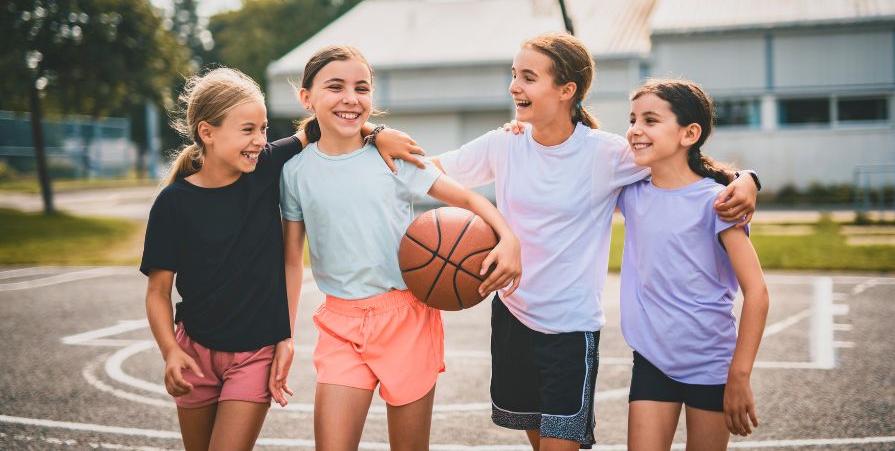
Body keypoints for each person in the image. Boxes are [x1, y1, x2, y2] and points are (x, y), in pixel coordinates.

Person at [430, 33, 759, 450]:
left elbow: (684, 166)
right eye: (514, 75)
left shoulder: (607, 155)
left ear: (567, 90)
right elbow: (428, 171)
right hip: (513, 315)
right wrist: (377, 135)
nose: (514, 86)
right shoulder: (505, 143)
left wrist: (747, 179)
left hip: (570, 328)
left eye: (528, 77)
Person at [141, 67, 424, 451]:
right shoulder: (173, 204)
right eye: (247, 131)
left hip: (254, 353)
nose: (259, 140)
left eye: (262, 129)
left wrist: (377, 133)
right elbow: (158, 292)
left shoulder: (268, 166)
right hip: (194, 353)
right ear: (207, 132)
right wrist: (171, 351)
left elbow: (328, 122)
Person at [276, 45, 521, 451]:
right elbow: (290, 262)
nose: (351, 98)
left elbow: (469, 200)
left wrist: (507, 238)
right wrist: (283, 335)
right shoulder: (295, 172)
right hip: (341, 323)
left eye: (362, 87)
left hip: (406, 316)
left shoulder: (394, 157)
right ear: (307, 98)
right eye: (335, 87)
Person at [619, 78, 769, 451]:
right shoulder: (630, 192)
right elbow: (575, 148)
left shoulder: (717, 202)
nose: (636, 130)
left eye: (650, 120)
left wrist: (739, 374)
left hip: (711, 363)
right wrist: (522, 132)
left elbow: (758, 293)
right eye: (633, 119)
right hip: (652, 359)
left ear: (689, 133)